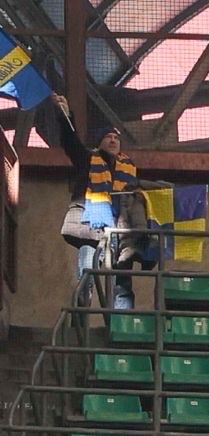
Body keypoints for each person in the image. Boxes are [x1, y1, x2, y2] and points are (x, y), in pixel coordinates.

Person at [50, 95, 170, 309]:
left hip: (122, 230)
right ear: (99, 143)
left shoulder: (129, 169)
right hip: (90, 225)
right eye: (108, 137)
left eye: (116, 137)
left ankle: (122, 325)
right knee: (88, 267)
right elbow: (70, 141)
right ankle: (82, 315)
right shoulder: (87, 159)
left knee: (122, 281)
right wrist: (65, 114)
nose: (113, 140)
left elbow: (141, 198)